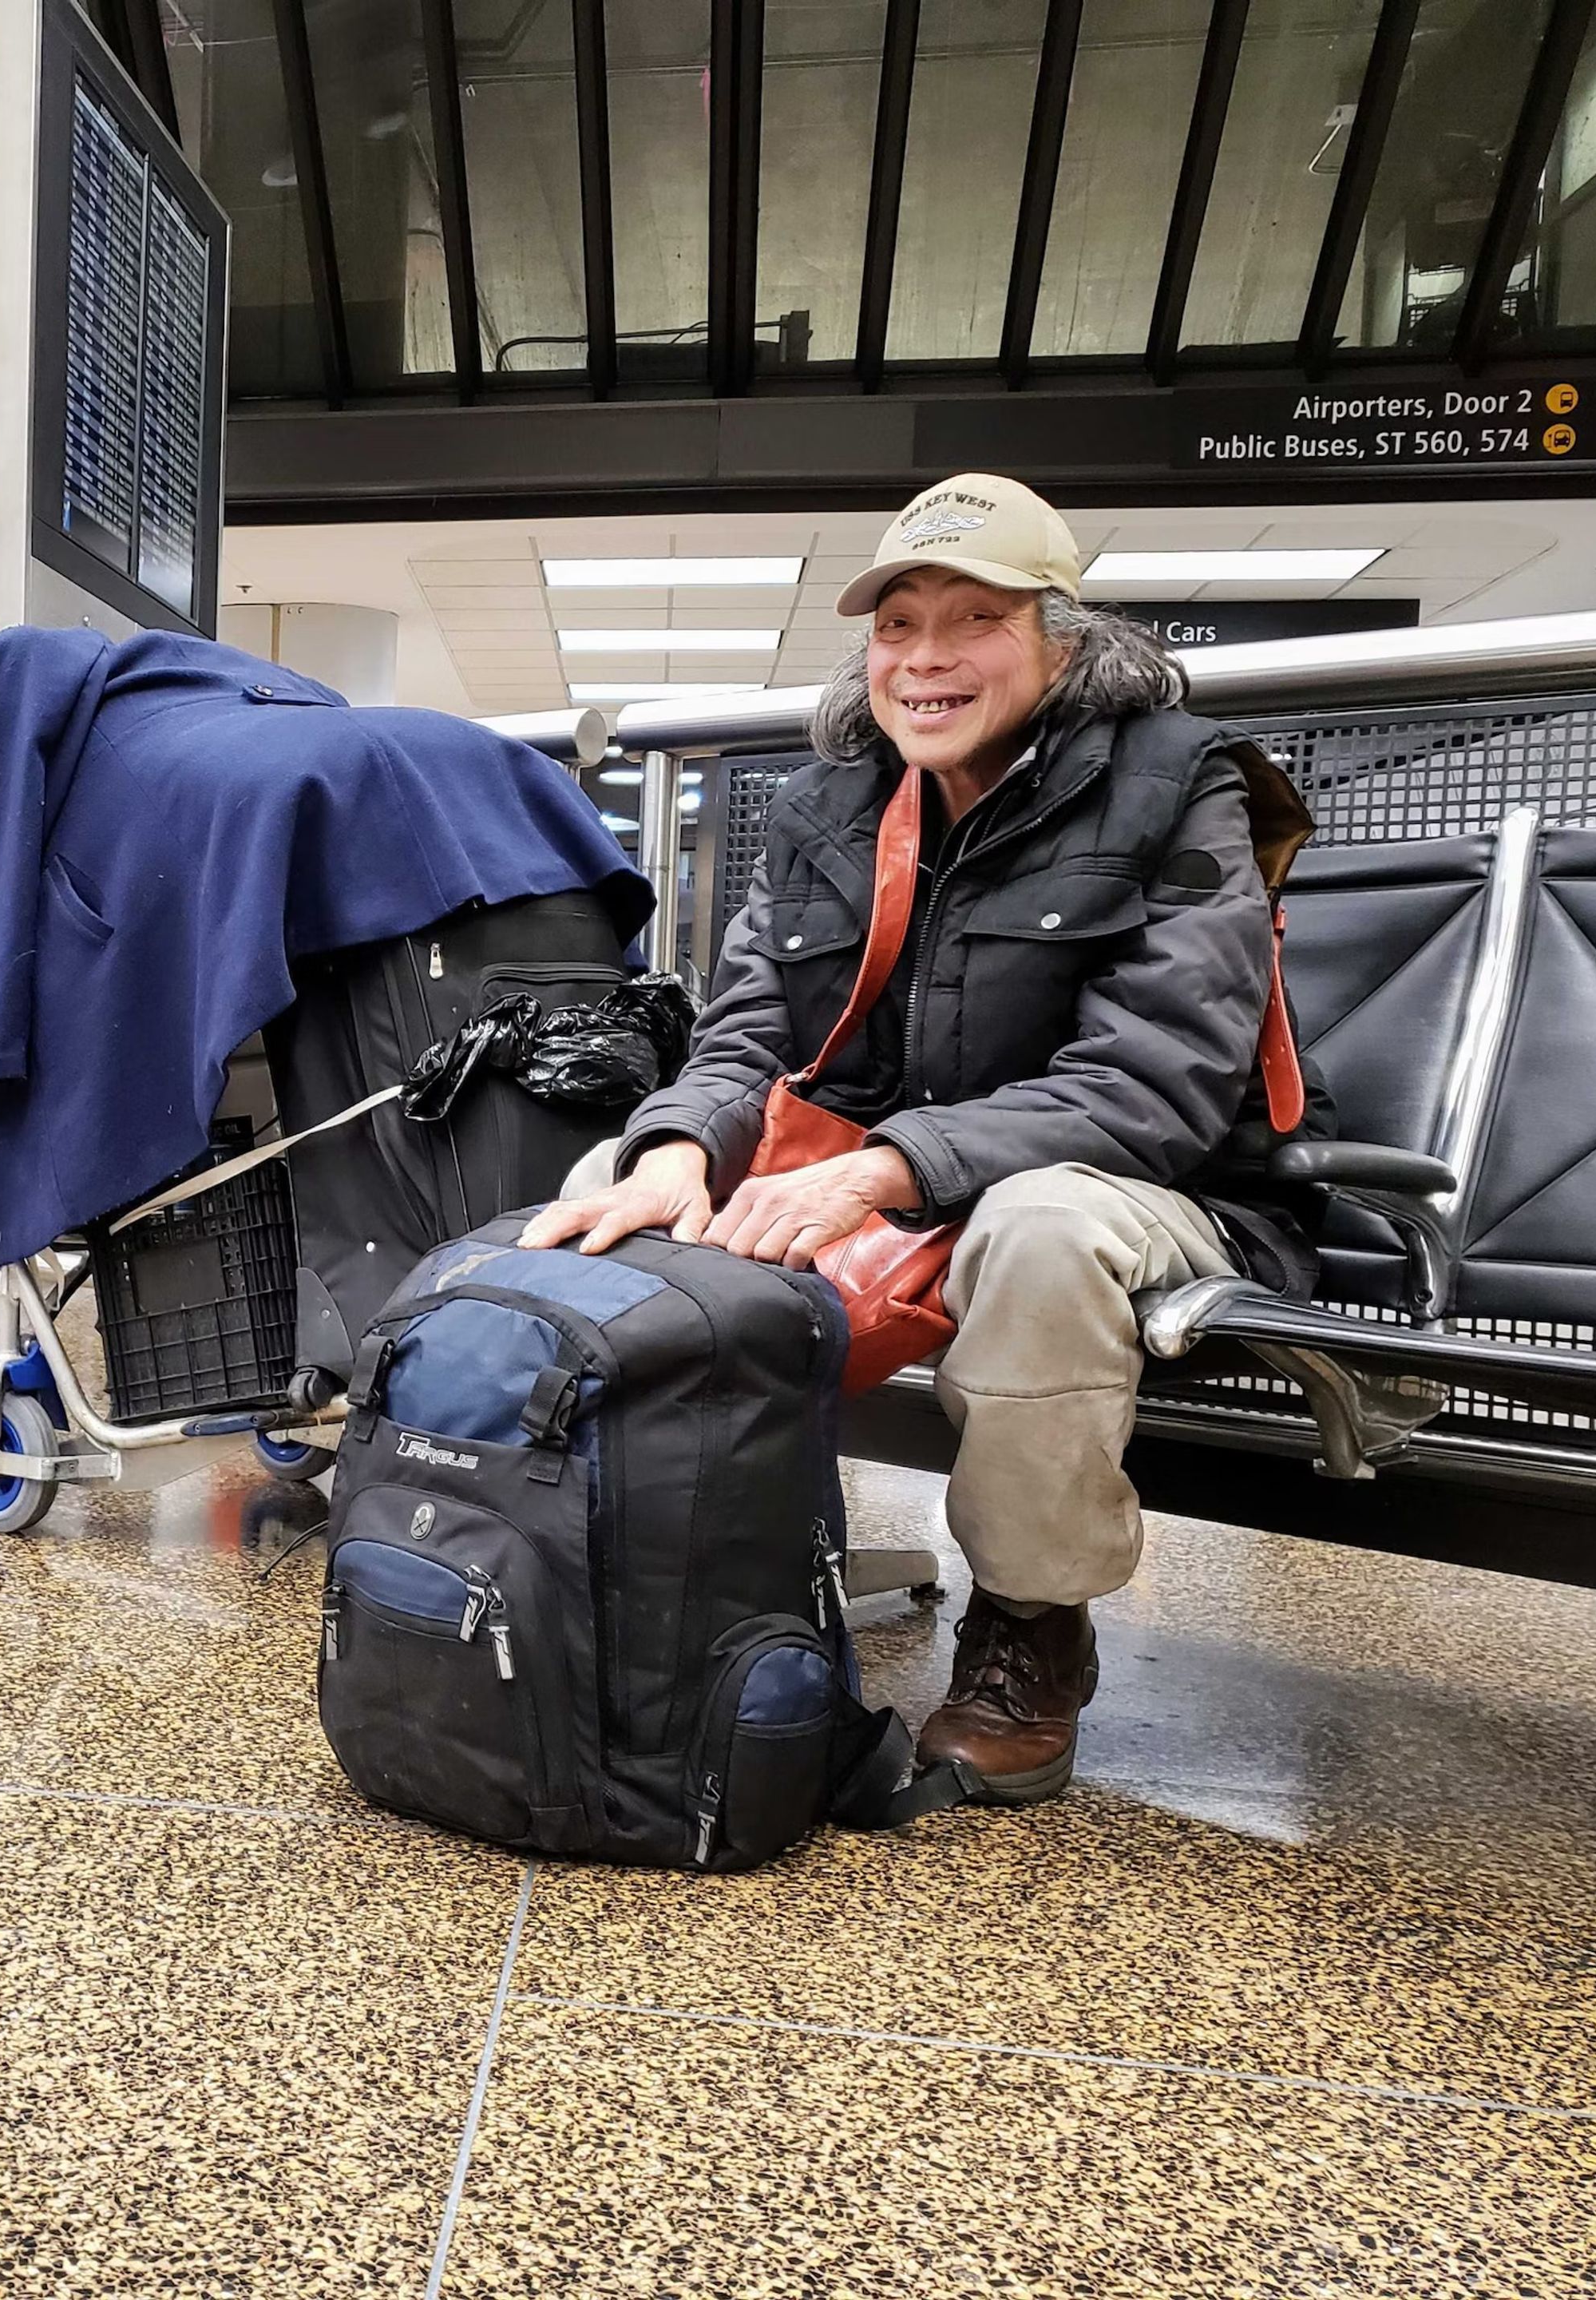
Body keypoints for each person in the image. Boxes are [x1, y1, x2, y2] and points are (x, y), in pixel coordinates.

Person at [521, 472, 1320, 1808]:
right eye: (898, 625)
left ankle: (1028, 1631)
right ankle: (671, 1583)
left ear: (1064, 639)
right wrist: (677, 1146)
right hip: (899, 1185)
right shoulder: (832, 805)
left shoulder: (1186, 790)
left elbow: (1155, 1089)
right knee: (612, 1182)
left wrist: (887, 1169)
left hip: (1153, 1197)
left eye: (975, 619)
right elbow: (749, 1034)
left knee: (1039, 1226)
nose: (927, 658)